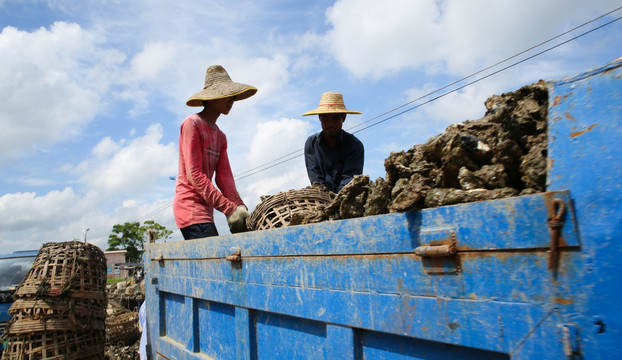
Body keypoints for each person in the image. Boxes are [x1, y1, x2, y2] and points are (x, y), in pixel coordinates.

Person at [173, 65, 256, 240]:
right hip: (190, 207)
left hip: (206, 207)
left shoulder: (221, 136)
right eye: (225, 94)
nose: (231, 100)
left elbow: (225, 178)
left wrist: (240, 206)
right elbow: (194, 174)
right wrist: (228, 208)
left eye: (233, 95)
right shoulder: (192, 124)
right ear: (211, 97)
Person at [302, 92, 364, 193]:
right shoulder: (311, 144)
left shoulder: (354, 145)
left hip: (346, 198)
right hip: (321, 198)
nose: (330, 123)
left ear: (343, 118)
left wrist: (337, 201)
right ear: (319, 118)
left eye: (335, 118)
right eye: (325, 118)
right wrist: (325, 199)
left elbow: (349, 179)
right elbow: (316, 180)